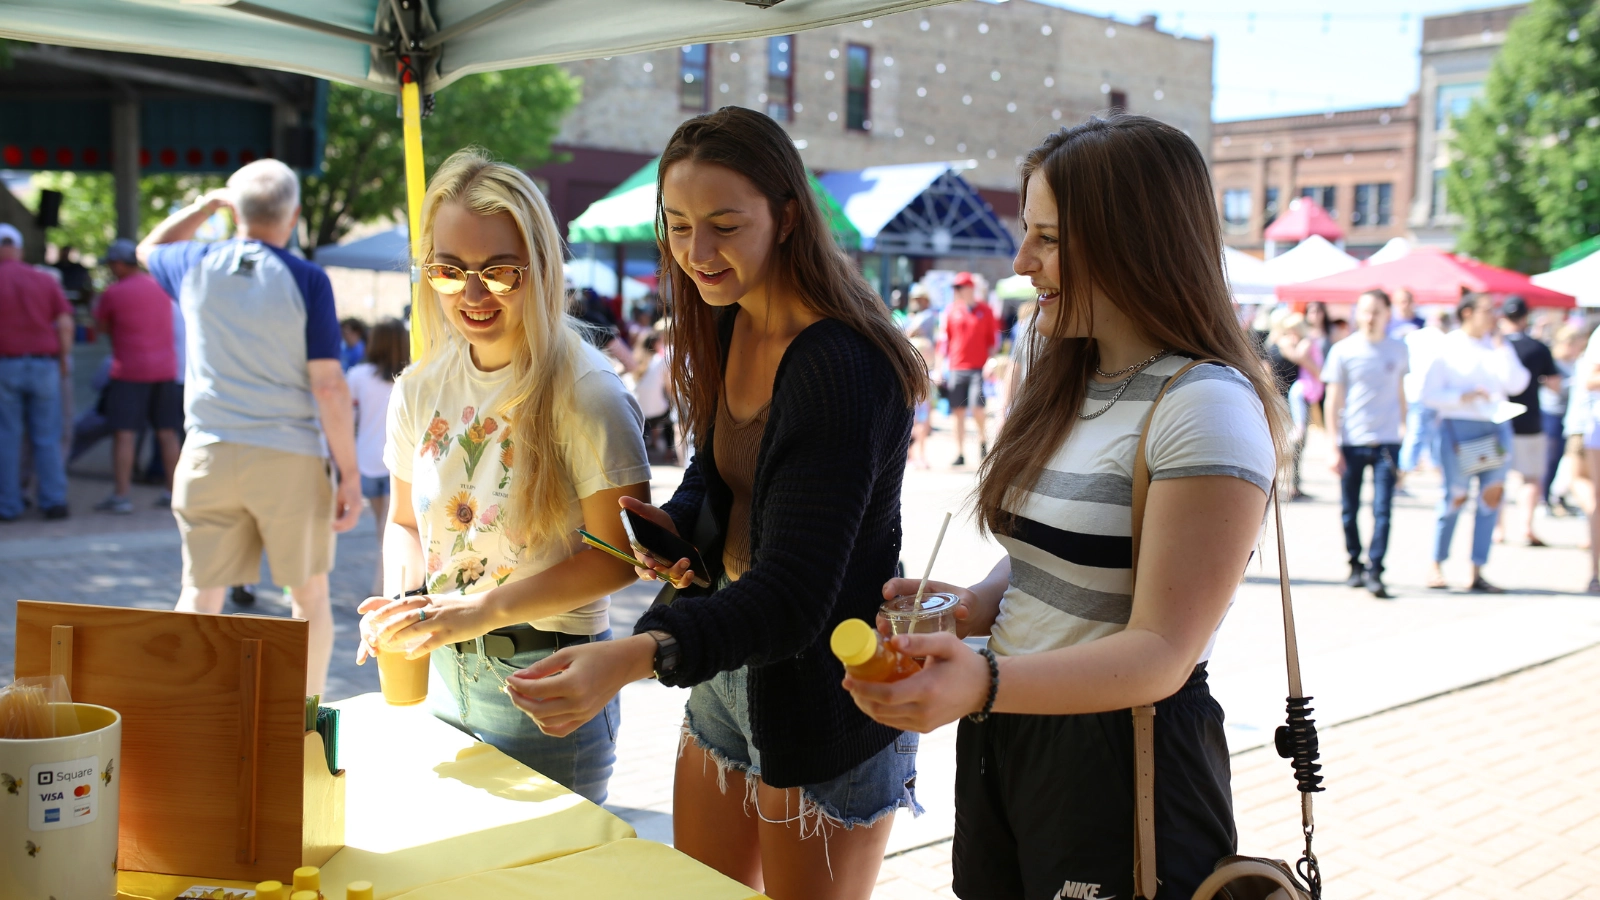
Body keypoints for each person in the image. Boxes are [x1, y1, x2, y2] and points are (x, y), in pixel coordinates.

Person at [844, 115, 1285, 900]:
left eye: (1047, 239)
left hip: (1123, 753)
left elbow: (1160, 653)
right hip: (1007, 731)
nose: (1021, 264)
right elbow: (1065, 549)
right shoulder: (1049, 357)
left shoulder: (1206, 404)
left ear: (1134, 241)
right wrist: (975, 605)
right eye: (1027, 233)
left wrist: (981, 681)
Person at [505, 107, 927, 900]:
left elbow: (798, 593)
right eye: (678, 225)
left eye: (726, 225)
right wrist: (679, 535)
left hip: (827, 688)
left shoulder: (838, 364)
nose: (698, 253)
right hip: (730, 667)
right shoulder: (731, 320)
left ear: (789, 215)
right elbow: (720, 474)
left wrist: (636, 653)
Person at [353, 149, 650, 805]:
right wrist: (407, 606)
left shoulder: (588, 392)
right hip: (442, 676)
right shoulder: (418, 385)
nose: (474, 293)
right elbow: (403, 522)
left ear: (540, 266)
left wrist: (478, 611)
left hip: (547, 681)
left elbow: (618, 558)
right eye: (450, 271)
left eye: (499, 272)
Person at [139, 159, 364, 695]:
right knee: (308, 596)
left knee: (200, 593)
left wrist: (203, 206)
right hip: (287, 458)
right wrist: (350, 475)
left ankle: (185, 719)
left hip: (208, 453)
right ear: (294, 215)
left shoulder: (195, 262)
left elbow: (148, 248)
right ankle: (301, 723)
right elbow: (329, 386)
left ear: (235, 210)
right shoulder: (307, 279)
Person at [1420, 293, 1530, 593]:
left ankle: (1477, 570)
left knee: (1490, 499)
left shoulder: (1496, 346)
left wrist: (1502, 348)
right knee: (1454, 498)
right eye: (1486, 310)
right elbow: (1427, 394)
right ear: (1467, 312)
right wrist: (1462, 397)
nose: (1493, 315)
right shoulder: (1447, 346)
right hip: (1459, 429)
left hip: (1495, 429)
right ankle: (1436, 565)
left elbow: (1518, 382)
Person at [1322, 290, 1408, 598]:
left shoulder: (1398, 350)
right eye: (1365, 311)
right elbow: (1332, 399)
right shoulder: (1343, 350)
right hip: (1352, 440)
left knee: (1383, 509)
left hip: (1387, 441)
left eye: (1376, 311)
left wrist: (1405, 432)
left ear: (1388, 313)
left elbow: (1401, 392)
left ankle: (1376, 569)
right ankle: (1354, 562)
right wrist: (1333, 444)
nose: (1370, 317)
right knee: (1350, 508)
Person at [92, 238, 182, 514]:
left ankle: (122, 496)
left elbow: (101, 327)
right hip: (166, 370)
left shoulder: (114, 293)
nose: (110, 269)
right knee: (168, 434)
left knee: (125, 435)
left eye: (111, 264)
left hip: (129, 372)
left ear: (119, 264)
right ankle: (176, 492)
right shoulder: (162, 288)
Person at [0, 222, 72, 521]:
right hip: (45, 365)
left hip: (6, 366)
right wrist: (64, 359)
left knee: (7, 438)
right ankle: (54, 501)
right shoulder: (43, 280)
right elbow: (65, 323)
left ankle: (8, 505)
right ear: (17, 248)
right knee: (47, 437)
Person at [345, 318, 409, 595]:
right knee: (393, 528)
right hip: (400, 462)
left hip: (368, 461)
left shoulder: (358, 376)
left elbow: (349, 419)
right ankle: (386, 588)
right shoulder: (412, 377)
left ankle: (383, 588)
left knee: (383, 528)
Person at [1498, 296, 1561, 546]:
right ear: (1525, 317)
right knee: (1531, 477)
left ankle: (1498, 529)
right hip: (1529, 419)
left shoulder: (1497, 345)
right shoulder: (1537, 347)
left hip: (1499, 419)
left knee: (1496, 478)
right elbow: (1555, 384)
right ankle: (1525, 526)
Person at [943, 271, 999, 467]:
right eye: (956, 288)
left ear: (970, 288)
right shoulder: (951, 311)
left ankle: (983, 440)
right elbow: (947, 341)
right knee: (958, 412)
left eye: (960, 287)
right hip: (957, 366)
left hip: (978, 368)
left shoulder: (985, 310)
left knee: (977, 408)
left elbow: (992, 341)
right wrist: (942, 366)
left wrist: (991, 363)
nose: (957, 291)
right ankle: (959, 452)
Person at [1265, 309, 1312, 500]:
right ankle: (1290, 485)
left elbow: (1266, 372)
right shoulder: (1285, 344)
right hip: (1288, 400)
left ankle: (1288, 484)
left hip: (1279, 398)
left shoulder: (1270, 344)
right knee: (1293, 444)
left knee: (1287, 443)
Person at [1400, 307, 1451, 480]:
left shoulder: (1413, 336)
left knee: (1419, 434)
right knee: (1419, 435)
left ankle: (1409, 472)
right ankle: (1401, 476)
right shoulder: (1444, 340)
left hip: (1411, 391)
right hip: (1428, 395)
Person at [1542, 324, 1584, 516]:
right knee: (1551, 458)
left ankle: (1556, 496)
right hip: (1552, 413)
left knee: (1561, 459)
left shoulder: (1575, 363)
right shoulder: (1554, 361)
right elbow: (1554, 387)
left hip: (1567, 414)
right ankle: (1545, 499)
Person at [628, 329, 675, 464]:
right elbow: (669, 386)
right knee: (669, 417)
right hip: (657, 411)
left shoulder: (634, 359)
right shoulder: (660, 360)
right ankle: (669, 451)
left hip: (639, 411)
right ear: (655, 344)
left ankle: (643, 451)